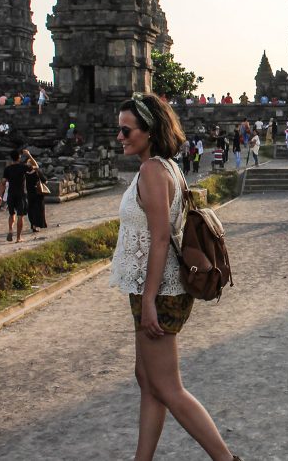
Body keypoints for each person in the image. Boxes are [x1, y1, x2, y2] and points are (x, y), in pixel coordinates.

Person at [109, 93, 242, 461]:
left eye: (126, 130)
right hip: (153, 288)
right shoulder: (167, 166)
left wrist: (149, 300)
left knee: (168, 387)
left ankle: (227, 459)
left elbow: (160, 239)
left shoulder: (153, 171)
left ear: (149, 131)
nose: (119, 136)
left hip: (161, 290)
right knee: (147, 379)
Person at [0, 149, 29, 243]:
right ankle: (18, 238)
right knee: (20, 216)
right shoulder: (23, 167)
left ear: (11, 158)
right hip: (21, 194)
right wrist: (29, 155)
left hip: (11, 194)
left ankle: (10, 230)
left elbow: (3, 183)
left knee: (12, 214)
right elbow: (36, 167)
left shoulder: (7, 169)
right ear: (19, 157)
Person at [24, 151, 48, 234]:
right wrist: (29, 155)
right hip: (38, 194)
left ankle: (33, 225)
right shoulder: (37, 172)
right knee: (38, 210)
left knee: (31, 210)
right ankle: (38, 225)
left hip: (30, 194)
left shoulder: (25, 174)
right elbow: (45, 181)